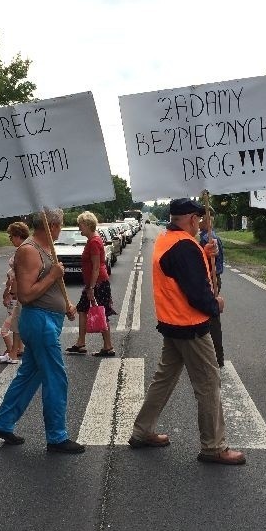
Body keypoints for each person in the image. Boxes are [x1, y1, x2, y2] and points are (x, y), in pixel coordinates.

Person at [128, 198, 246, 465]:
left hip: (172, 324)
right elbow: (196, 292)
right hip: (190, 326)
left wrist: (205, 253)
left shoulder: (167, 238)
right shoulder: (184, 246)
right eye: (200, 218)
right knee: (208, 383)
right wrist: (215, 304)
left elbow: (181, 272)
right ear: (192, 219)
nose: (202, 222)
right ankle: (213, 447)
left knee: (164, 379)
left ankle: (142, 430)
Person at [0, 208, 83, 454]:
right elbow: (27, 295)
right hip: (39, 322)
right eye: (60, 225)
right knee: (55, 377)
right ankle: (57, 437)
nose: (60, 229)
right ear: (53, 226)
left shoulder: (45, 248)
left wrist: (66, 306)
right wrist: (53, 275)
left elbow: (51, 289)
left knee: (30, 374)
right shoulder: (29, 250)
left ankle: (3, 422)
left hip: (47, 319)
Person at [66, 211, 117, 357]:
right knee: (83, 309)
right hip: (93, 283)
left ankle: (108, 347)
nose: (79, 228)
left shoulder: (94, 241)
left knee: (101, 312)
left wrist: (92, 288)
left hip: (98, 283)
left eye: (80, 225)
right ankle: (81, 343)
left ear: (87, 225)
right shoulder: (92, 239)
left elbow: (96, 266)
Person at [0, 221, 30, 364]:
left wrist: (11, 294)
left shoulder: (22, 250)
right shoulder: (25, 248)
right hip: (20, 294)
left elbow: (18, 276)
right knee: (18, 325)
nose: (10, 239)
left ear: (18, 236)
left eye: (11, 237)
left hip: (19, 294)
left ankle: (14, 352)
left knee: (17, 325)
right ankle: (14, 352)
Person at [198, 208, 225, 368]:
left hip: (211, 279)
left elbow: (210, 265)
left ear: (207, 219)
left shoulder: (209, 238)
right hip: (213, 278)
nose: (198, 221)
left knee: (212, 318)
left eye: (200, 218)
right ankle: (216, 356)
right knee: (211, 317)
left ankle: (216, 357)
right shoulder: (207, 236)